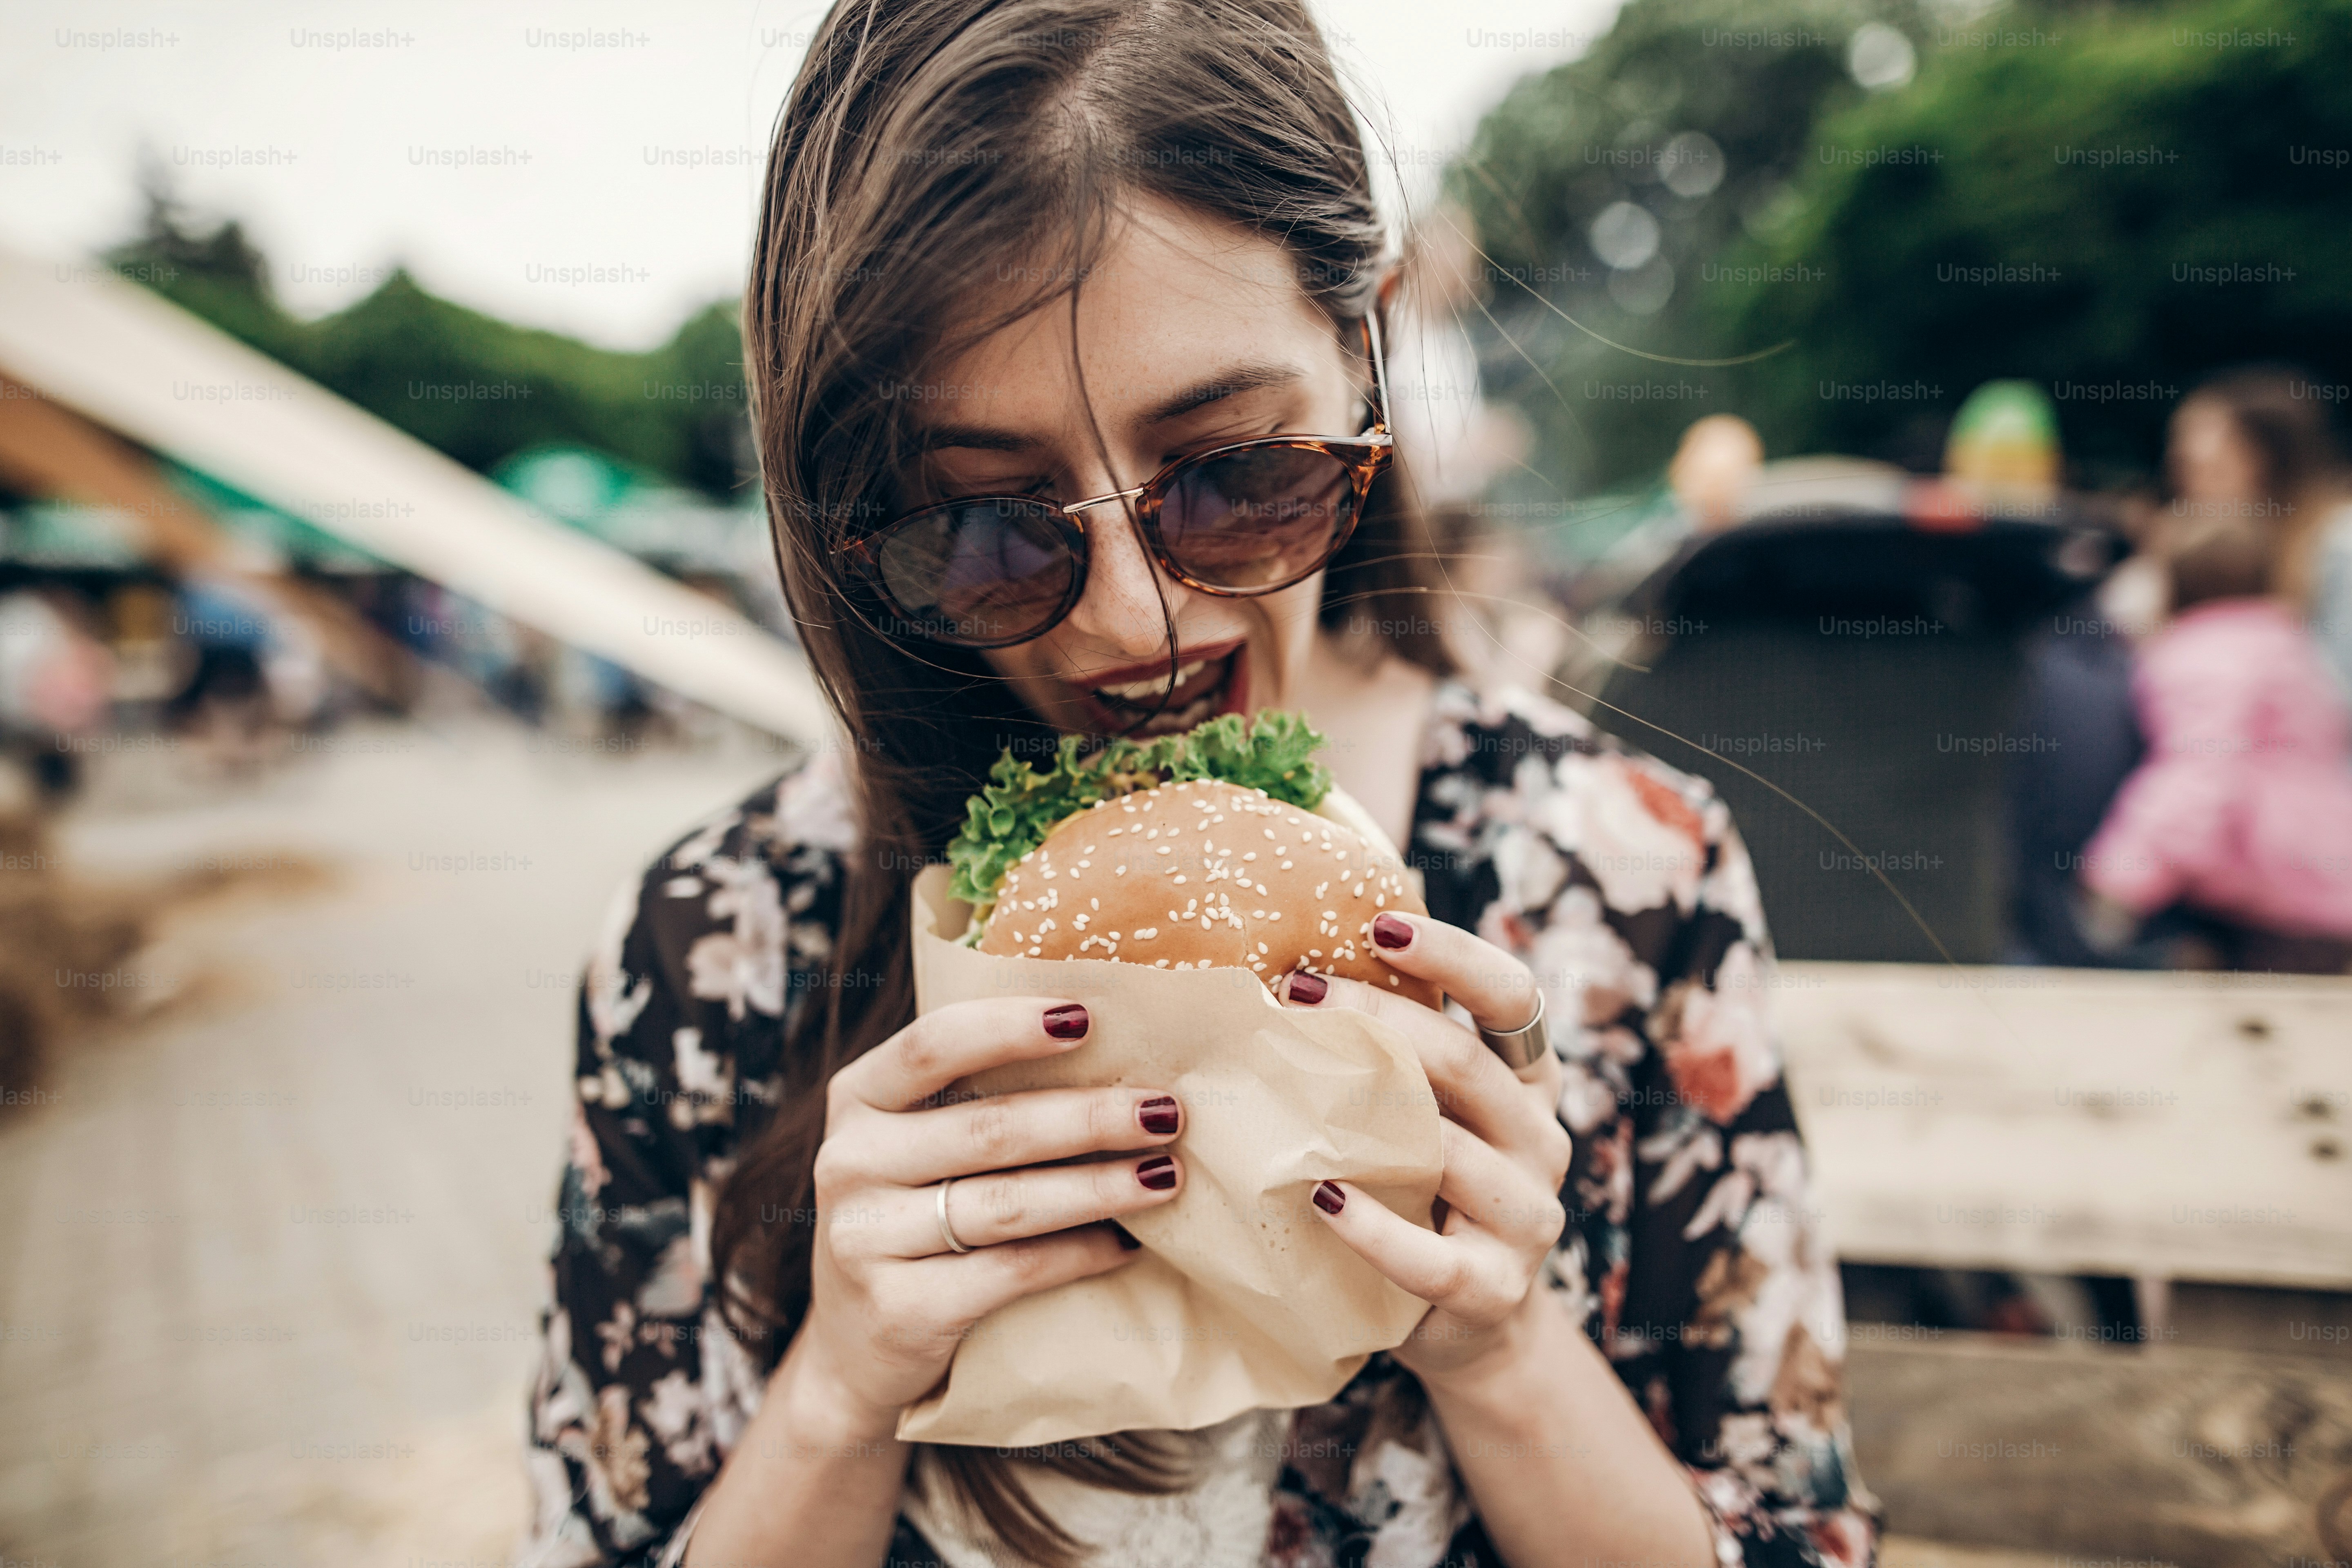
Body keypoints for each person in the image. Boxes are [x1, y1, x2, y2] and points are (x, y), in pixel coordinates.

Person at [523, 5, 1876, 1566]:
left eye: (1234, 473)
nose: (1130, 621)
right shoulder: (715, 948)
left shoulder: (1624, 881)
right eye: (982, 521)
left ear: (1361, 354)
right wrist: (838, 1391)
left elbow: (1798, 1531)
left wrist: (1501, 1356)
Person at [2076, 506, 2352, 973]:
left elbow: (2199, 772)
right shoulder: (2289, 646)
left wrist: (2122, 877)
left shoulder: (2201, 653)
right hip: (2327, 883)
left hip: (2271, 896)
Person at [2165, 367, 2352, 693]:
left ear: (2266, 464)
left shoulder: (2337, 546)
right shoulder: (2213, 554)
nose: (2189, 492)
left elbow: (2339, 692)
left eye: (2208, 470)